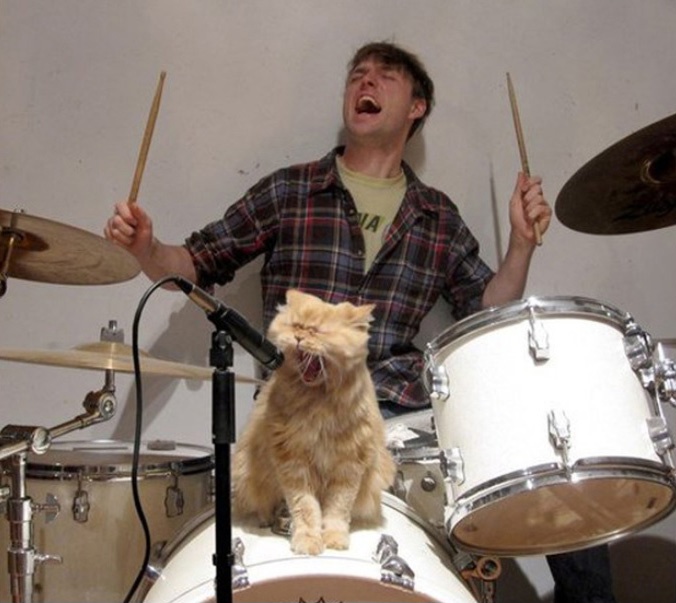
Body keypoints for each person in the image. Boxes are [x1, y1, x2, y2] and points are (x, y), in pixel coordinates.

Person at [105, 41, 614, 603]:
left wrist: (520, 245)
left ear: (416, 107)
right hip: (301, 410)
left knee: (556, 444)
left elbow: (484, 311)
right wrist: (147, 248)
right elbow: (194, 266)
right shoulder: (291, 190)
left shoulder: (437, 216)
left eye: (384, 76)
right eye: (357, 76)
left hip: (403, 414)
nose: (364, 84)